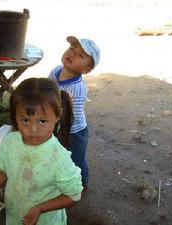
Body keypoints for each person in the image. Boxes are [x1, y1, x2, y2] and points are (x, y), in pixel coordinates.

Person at [0, 78, 83, 225]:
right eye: (25, 120)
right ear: (15, 116)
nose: (33, 130)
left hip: (46, 221)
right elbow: (3, 169)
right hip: (15, 214)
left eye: (42, 121)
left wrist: (40, 208)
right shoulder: (11, 142)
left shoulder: (59, 158)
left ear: (57, 116)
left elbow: (73, 195)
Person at [48, 36, 100, 191]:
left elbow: (72, 117)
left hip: (74, 132)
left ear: (87, 69)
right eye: (72, 49)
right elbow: (45, 92)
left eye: (81, 55)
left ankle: (81, 182)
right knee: (59, 156)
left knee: (75, 160)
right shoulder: (56, 71)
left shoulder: (77, 88)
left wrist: (53, 125)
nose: (72, 53)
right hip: (57, 124)